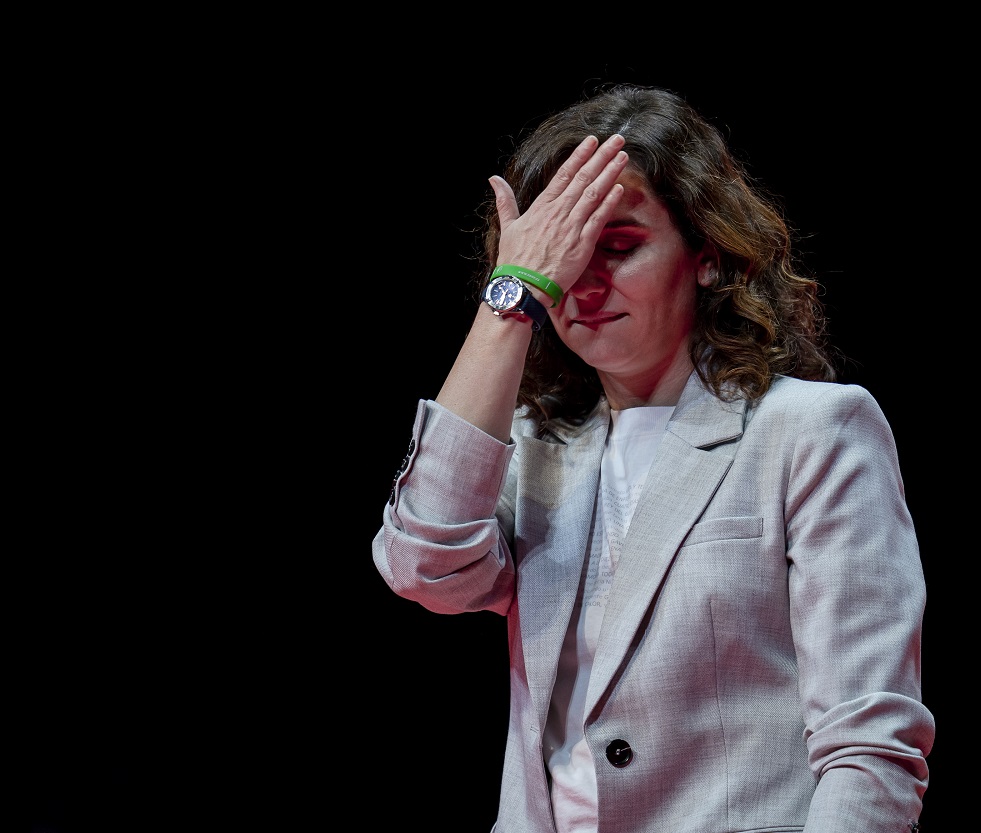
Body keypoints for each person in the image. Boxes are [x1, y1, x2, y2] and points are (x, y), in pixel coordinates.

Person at [372, 83, 934, 832]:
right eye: (564, 254)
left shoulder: (813, 431)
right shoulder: (534, 450)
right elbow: (422, 563)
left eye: (619, 245)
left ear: (705, 252)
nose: (585, 282)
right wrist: (511, 301)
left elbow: (869, 749)